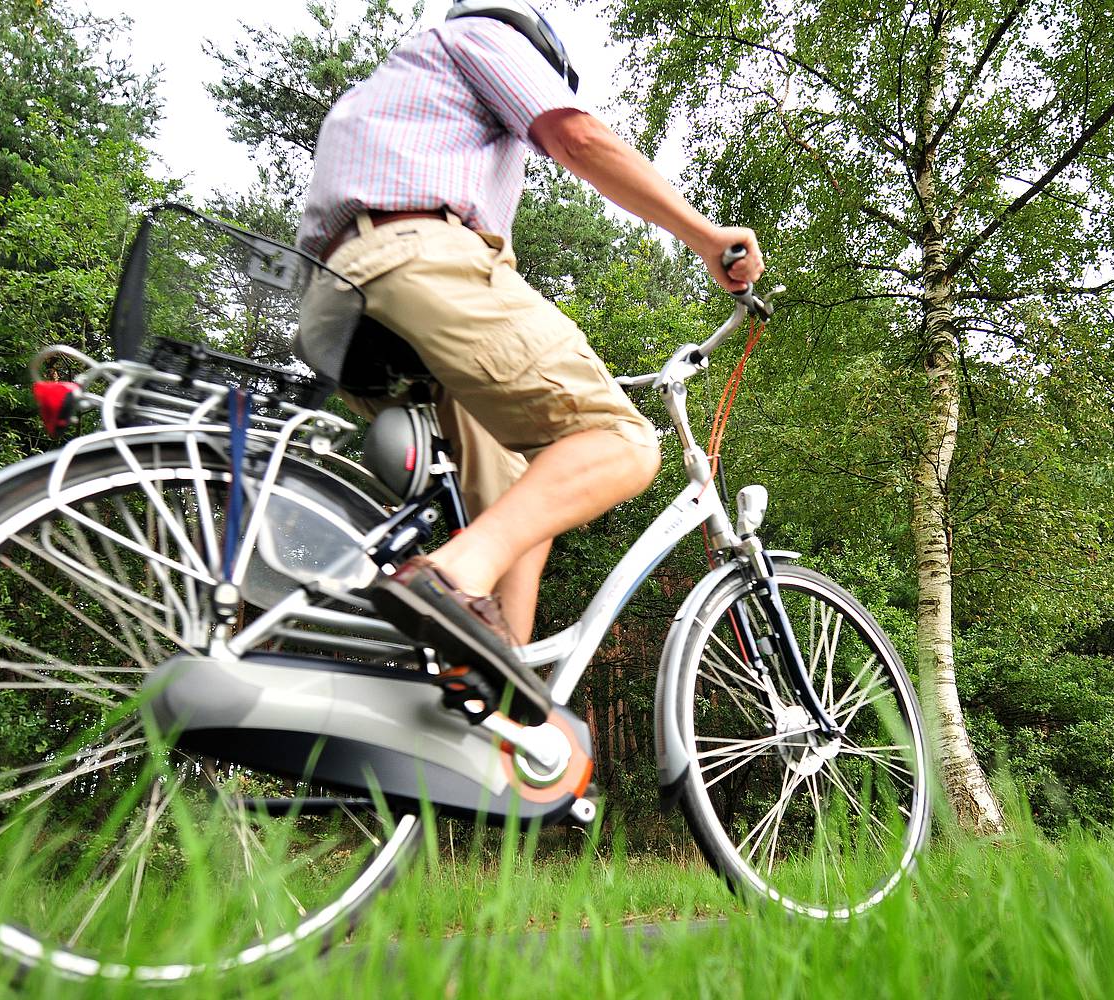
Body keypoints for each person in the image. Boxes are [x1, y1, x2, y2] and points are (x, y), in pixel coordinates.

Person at [295, 0, 764, 727]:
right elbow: (575, 136)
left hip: (342, 304)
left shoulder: (386, 94)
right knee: (617, 442)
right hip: (416, 257)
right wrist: (705, 237)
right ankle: (450, 579)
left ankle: (493, 694)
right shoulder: (480, 37)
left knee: (523, 494)